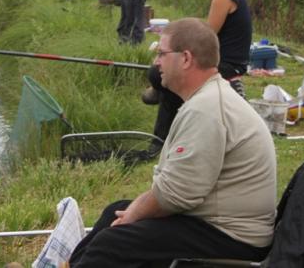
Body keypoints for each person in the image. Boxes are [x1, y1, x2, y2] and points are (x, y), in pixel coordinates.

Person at [69, 18, 276, 267]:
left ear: (186, 59)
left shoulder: (207, 109)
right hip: (216, 222)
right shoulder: (206, 99)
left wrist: (136, 213)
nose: (156, 63)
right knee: (115, 211)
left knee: (113, 243)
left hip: (233, 237)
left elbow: (175, 195)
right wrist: (133, 210)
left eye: (161, 54)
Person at [145, 0, 253, 142]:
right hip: (229, 59)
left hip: (229, 65)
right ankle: (166, 125)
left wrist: (175, 45)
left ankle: (159, 142)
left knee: (162, 74)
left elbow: (206, 38)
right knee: (165, 71)